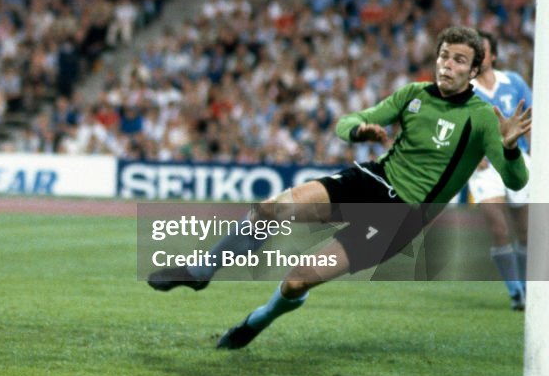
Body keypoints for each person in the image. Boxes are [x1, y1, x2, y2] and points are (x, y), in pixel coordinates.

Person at [149, 26, 530, 349]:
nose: (448, 65)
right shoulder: (413, 94)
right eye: (444, 56)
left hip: (401, 218)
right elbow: (350, 120)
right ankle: (202, 270)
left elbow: (516, 180)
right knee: (272, 207)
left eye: (459, 60)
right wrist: (359, 129)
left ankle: (257, 321)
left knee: (297, 279)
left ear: (475, 69)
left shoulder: (482, 118)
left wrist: (510, 147)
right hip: (372, 179)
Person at [466, 30, 532, 310]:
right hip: (484, 168)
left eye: (483, 50)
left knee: (526, 231)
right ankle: (515, 292)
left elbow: (535, 115)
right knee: (500, 229)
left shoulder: (513, 82)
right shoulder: (464, 89)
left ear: (493, 54)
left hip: (517, 160)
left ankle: (530, 289)